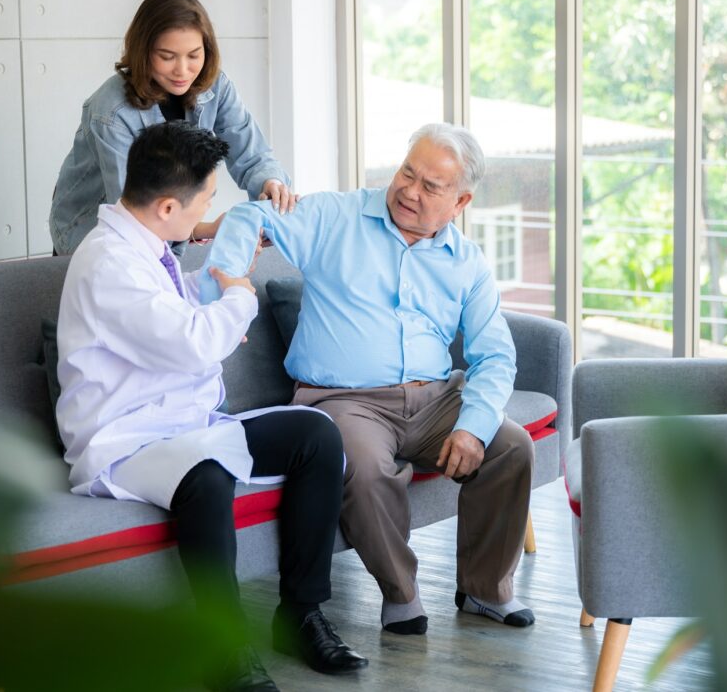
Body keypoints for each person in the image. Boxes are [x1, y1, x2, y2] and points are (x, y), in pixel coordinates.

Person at [55, 121, 367, 692]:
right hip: (126, 440)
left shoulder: (144, 245)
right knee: (205, 476)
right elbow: (194, 340)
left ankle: (299, 613)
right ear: (169, 204)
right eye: (206, 200)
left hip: (182, 425)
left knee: (317, 435)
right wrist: (239, 294)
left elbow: (177, 317)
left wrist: (221, 287)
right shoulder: (110, 264)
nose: (210, 210)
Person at [200, 123, 536, 636]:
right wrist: (229, 281)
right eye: (407, 172)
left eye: (431, 186)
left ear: (460, 201)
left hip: (434, 398)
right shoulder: (336, 216)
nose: (409, 190)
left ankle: (485, 591)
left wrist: (473, 427)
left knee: (509, 445)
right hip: (343, 400)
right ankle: (401, 595)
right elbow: (251, 214)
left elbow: (496, 356)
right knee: (361, 462)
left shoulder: (466, 262)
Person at [49, 0, 297, 257]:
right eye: (167, 57)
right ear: (143, 52)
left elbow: (252, 155)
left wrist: (270, 183)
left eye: (194, 55)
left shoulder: (215, 86)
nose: (182, 70)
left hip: (166, 232)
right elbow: (135, 218)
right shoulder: (111, 113)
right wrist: (208, 230)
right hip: (92, 238)